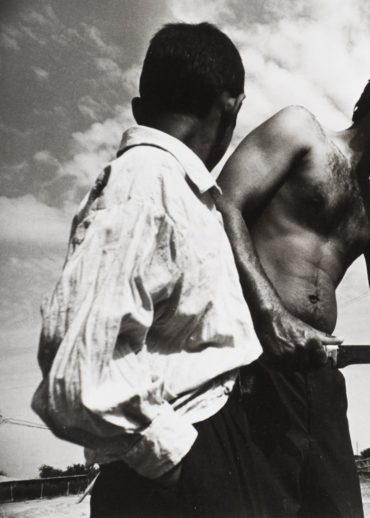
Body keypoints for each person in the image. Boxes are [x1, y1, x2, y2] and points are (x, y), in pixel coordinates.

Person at [32, 23, 271, 518]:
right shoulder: (145, 183)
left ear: (140, 108)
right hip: (177, 462)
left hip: (206, 443)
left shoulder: (180, 191)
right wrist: (176, 461)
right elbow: (80, 374)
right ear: (231, 107)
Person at [216, 59, 370, 517]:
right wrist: (269, 315)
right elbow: (223, 206)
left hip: (319, 377)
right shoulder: (300, 131)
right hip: (250, 363)